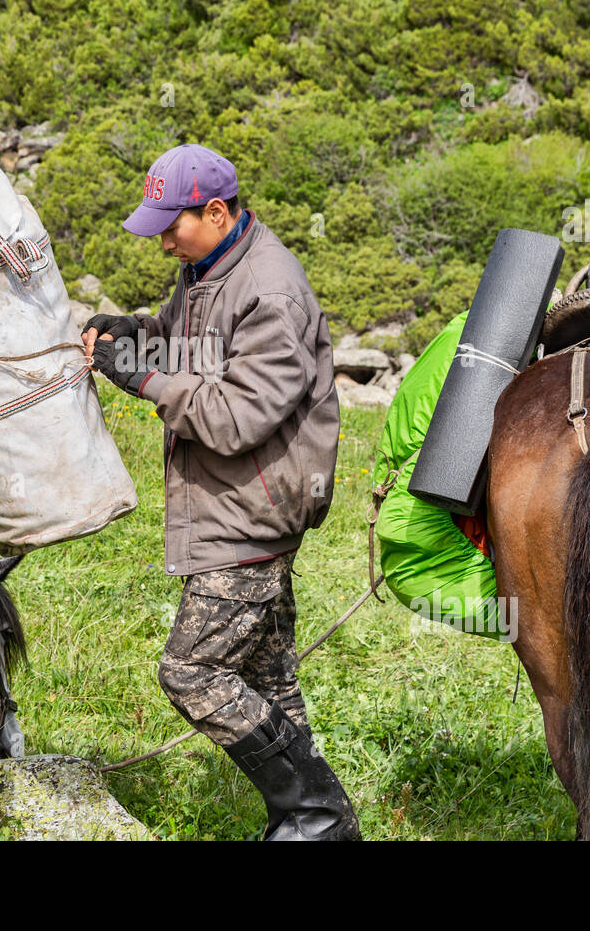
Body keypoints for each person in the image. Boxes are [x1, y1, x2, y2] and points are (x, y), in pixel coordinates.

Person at [82, 143, 360, 841]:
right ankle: (311, 826)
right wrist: (137, 335)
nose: (163, 241)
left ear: (215, 210)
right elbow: (190, 351)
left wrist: (140, 378)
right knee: (268, 682)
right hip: (237, 502)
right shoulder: (207, 268)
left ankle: (319, 814)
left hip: (252, 510)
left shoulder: (269, 289)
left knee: (192, 672)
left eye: (171, 225)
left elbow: (236, 417)